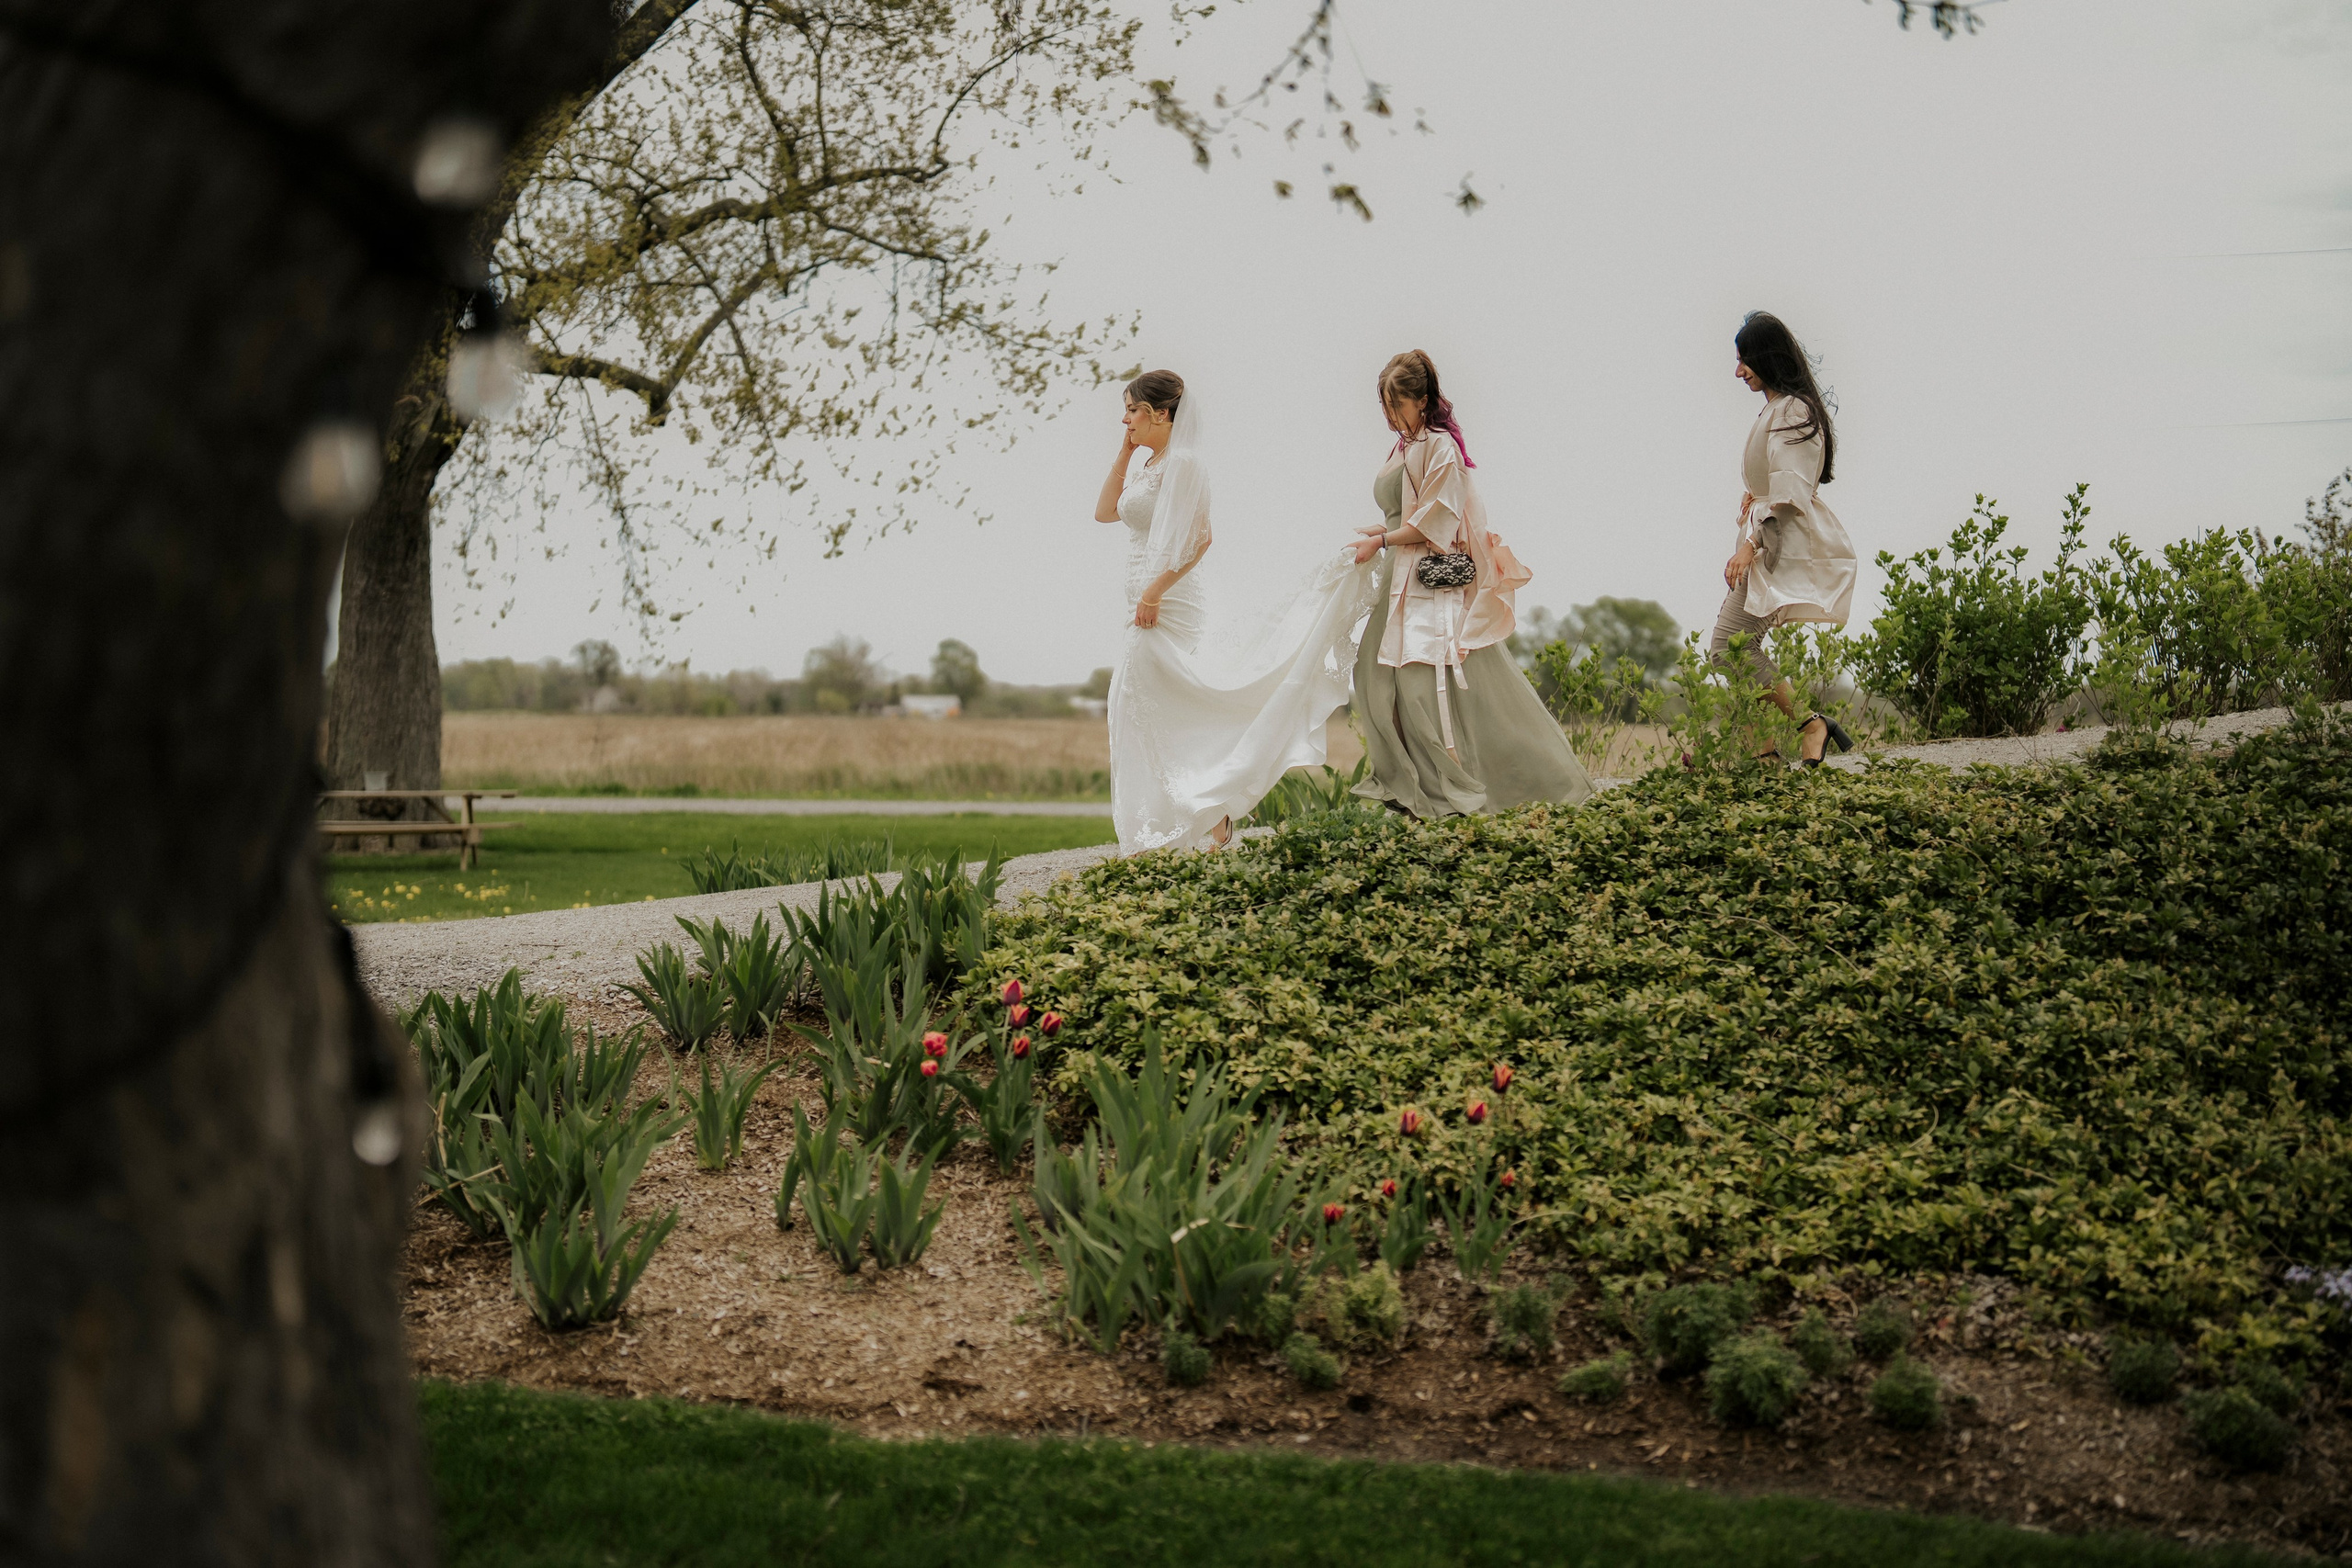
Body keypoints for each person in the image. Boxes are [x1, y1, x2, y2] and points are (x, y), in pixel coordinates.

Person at [1094, 370, 1377, 853]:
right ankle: (1206, 812)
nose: (1125, 419)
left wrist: (1155, 592)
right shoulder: (1149, 464)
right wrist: (1124, 453)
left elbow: (1201, 538)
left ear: (1160, 413)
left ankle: (1198, 811)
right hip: (1139, 599)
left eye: (1132, 410)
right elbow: (1105, 512)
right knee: (1144, 707)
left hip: (1168, 600)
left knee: (1140, 702)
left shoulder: (1184, 464)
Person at [1347, 350, 1594, 818]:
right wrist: (1380, 532)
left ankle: (1462, 790)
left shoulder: (1440, 447)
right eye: (1385, 406)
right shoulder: (1401, 447)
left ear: (1422, 400)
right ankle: (1411, 785)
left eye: (1397, 405)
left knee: (1424, 687)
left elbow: (1434, 522)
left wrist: (1382, 539)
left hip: (1425, 579)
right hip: (1397, 573)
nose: (1390, 416)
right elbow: (1404, 512)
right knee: (1374, 678)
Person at [1713, 311, 1858, 765]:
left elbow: (1790, 493)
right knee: (1737, 649)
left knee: (1729, 647)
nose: (1739, 372)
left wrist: (1750, 545)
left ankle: (1812, 725)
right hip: (1768, 539)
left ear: (1767, 357)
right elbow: (1776, 479)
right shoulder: (1779, 408)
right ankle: (1764, 756)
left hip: (1777, 545)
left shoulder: (1794, 410)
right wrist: (1754, 492)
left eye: (1745, 360)